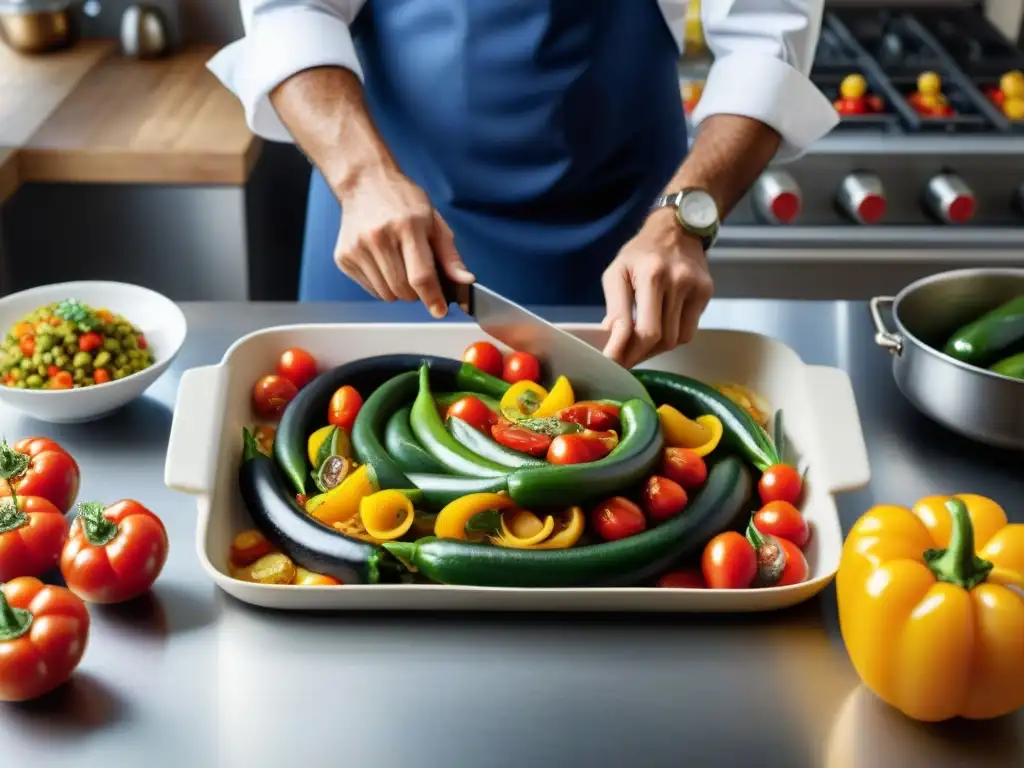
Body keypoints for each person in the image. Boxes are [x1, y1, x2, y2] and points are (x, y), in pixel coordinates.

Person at [210, 1, 837, 368]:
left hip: (630, 225)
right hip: (382, 214)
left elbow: (765, 34)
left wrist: (682, 218)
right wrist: (360, 178)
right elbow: (291, 9)